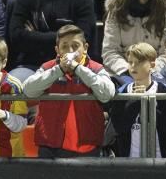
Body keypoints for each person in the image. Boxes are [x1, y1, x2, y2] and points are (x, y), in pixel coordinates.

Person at [23, 25, 116, 158]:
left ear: (85, 48)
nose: (70, 50)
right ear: (57, 50)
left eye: (75, 45)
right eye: (64, 46)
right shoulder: (47, 68)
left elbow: (107, 94)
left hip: (87, 146)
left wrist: (78, 68)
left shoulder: (96, 69)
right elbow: (28, 90)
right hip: (50, 145)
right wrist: (59, 70)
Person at [109, 43, 166, 158]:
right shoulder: (121, 91)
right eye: (130, 62)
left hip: (160, 157)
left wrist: (144, 100)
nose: (133, 66)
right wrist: (135, 101)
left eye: (139, 62)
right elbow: (119, 127)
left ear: (152, 65)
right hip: (129, 158)